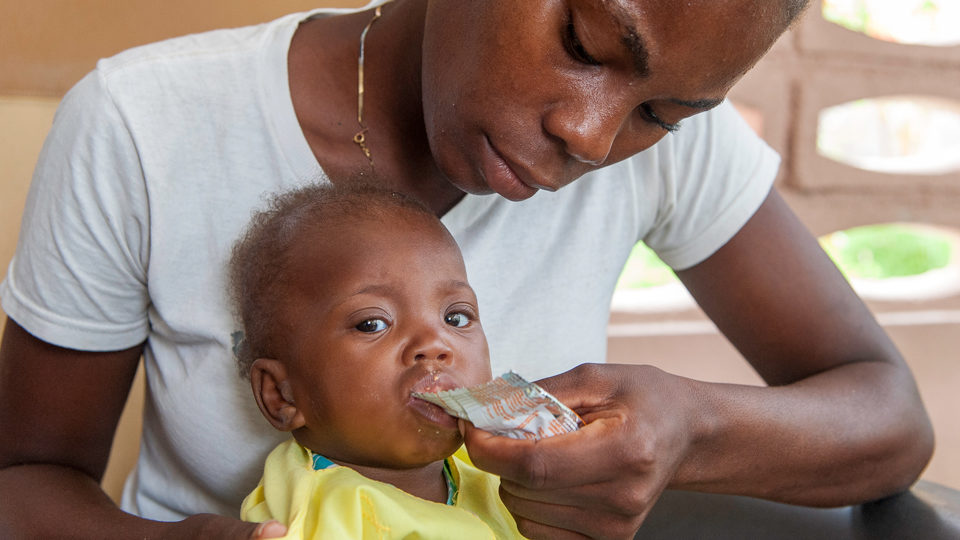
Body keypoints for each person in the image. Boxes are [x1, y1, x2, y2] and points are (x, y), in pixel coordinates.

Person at [0, 0, 934, 538]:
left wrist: (694, 427)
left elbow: (889, 421)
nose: (595, 135)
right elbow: (23, 482)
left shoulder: (662, 152)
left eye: (662, 114)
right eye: (584, 45)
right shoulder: (141, 123)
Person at [229, 183, 522, 539]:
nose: (434, 343)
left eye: (456, 318)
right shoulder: (325, 513)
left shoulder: (491, 469)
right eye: (373, 324)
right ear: (282, 395)